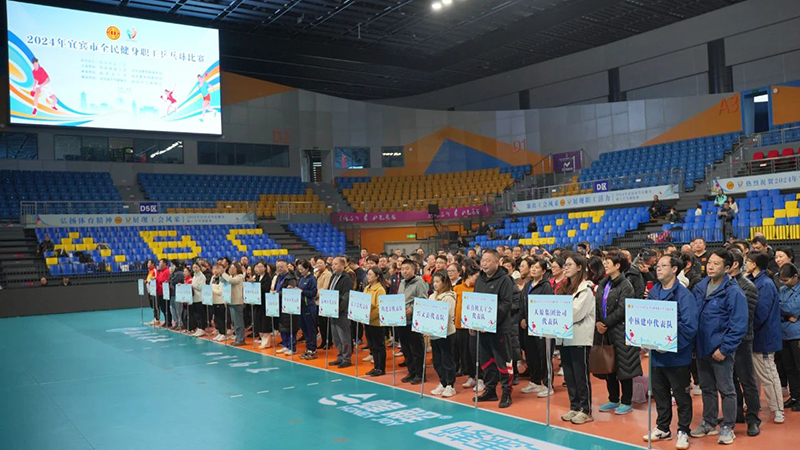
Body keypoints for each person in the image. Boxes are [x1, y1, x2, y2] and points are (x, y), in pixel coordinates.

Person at [690, 249, 747, 444]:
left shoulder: (733, 292)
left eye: (716, 264)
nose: (711, 267)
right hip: (702, 348)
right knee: (707, 388)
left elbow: (739, 325)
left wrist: (724, 349)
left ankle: (728, 427)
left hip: (720, 351)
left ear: (727, 268)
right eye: (709, 263)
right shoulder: (700, 287)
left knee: (727, 390)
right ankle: (709, 423)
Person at [644, 255, 698, 449]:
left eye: (663, 265)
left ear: (674, 269)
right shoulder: (653, 293)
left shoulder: (684, 295)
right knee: (660, 393)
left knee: (681, 396)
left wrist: (670, 343)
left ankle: (683, 430)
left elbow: (689, 326)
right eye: (657, 266)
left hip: (677, 356)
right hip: (657, 356)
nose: (658, 269)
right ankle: (663, 427)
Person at [595, 251, 641, 416]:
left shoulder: (626, 285)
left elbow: (623, 309)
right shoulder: (603, 283)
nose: (605, 265)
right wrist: (598, 322)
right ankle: (613, 398)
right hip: (605, 331)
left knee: (624, 366)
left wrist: (606, 323)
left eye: (608, 262)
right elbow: (597, 305)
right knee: (609, 366)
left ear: (617, 265)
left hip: (620, 331)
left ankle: (626, 401)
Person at [474, 249, 515, 408]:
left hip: (499, 329)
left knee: (503, 362)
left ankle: (506, 392)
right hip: (482, 330)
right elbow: (475, 303)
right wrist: (473, 323)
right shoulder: (480, 279)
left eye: (488, 260)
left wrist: (490, 322)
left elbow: (506, 304)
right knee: (486, 361)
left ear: (497, 262)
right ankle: (490, 390)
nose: (484, 263)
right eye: (483, 260)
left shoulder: (505, 280)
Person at [746, 252, 785, 423]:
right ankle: (755, 404)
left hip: (764, 337)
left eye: (747, 261)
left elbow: (760, 313)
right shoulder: (753, 281)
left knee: (768, 374)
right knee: (754, 375)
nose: (745, 264)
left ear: (754, 264)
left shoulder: (765, 284)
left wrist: (746, 327)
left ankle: (778, 409)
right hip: (755, 337)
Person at [726, 249, 761, 436]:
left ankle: (753, 419)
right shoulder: (723, 284)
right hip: (726, 342)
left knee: (747, 381)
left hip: (742, 341)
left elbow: (744, 318)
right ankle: (737, 413)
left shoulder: (748, 286)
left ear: (734, 264)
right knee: (730, 381)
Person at [559, 254, 596, 425]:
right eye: (565, 265)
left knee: (581, 375)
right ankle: (574, 406)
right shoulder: (564, 288)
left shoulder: (586, 290)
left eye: (569, 264)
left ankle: (586, 410)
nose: (565, 268)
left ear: (580, 267)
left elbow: (574, 313)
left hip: (579, 338)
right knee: (569, 375)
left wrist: (557, 313)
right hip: (564, 337)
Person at [520, 258, 555, 397]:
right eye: (532, 267)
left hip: (541, 327)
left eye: (537, 267)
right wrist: (522, 319)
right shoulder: (528, 285)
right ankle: (535, 381)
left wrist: (531, 320)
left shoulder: (546, 286)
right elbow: (522, 304)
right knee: (531, 355)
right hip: (528, 327)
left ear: (544, 271)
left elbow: (545, 306)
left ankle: (548, 385)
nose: (533, 269)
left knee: (544, 356)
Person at [399, 259, 428, 384]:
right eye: (402, 269)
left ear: (414, 269)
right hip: (402, 320)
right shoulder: (402, 283)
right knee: (406, 348)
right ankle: (411, 371)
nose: (404, 271)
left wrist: (412, 308)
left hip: (413, 321)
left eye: (407, 269)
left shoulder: (419, 283)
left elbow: (423, 300)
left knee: (416, 349)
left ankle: (420, 374)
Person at [429, 271, 457, 397]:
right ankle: (443, 382)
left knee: (447, 360)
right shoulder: (431, 296)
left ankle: (450, 385)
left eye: (437, 282)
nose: (435, 284)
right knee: (437, 361)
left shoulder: (449, 297)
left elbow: (448, 315)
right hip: (434, 334)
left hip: (446, 334)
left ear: (444, 283)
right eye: (433, 282)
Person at [456, 259, 481, 390]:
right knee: (464, 353)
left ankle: (480, 378)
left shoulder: (478, 289)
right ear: (469, 276)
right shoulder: (457, 288)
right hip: (459, 326)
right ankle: (471, 376)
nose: (477, 279)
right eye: (476, 277)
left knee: (475, 352)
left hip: (473, 325)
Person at [779, 264, 800, 412]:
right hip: (783, 334)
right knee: (789, 368)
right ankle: (795, 396)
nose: (784, 283)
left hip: (796, 334)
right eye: (782, 280)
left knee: (799, 367)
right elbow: (776, 307)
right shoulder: (782, 290)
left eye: (786, 280)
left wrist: (784, 309)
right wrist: (787, 315)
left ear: (795, 277)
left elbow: (792, 308)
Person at [328, 257, 353, 368]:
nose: (333, 266)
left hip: (341, 311)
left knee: (344, 336)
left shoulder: (346, 278)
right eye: (332, 264)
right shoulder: (333, 276)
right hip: (332, 309)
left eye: (336, 264)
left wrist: (340, 308)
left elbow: (346, 295)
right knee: (336, 336)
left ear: (343, 265)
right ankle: (340, 356)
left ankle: (347, 358)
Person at [363, 267, 387, 376]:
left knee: (379, 346)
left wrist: (369, 317)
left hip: (376, 323)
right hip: (368, 322)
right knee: (372, 346)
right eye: (367, 274)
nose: (368, 276)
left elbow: (379, 308)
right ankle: (376, 367)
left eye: (370, 274)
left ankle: (381, 368)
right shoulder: (367, 288)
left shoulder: (380, 289)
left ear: (377, 276)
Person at [273, 260, 299, 355]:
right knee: (282, 327)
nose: (279, 269)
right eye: (278, 267)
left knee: (290, 327)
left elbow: (291, 292)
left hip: (289, 306)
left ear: (286, 267)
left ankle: (292, 347)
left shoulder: (291, 278)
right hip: (280, 305)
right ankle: (285, 345)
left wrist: (278, 293)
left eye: (281, 267)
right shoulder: (279, 277)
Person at [296, 260, 319, 360]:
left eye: (302, 269)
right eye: (299, 269)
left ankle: (312, 349)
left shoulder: (312, 279)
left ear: (307, 269)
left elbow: (313, 293)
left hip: (309, 306)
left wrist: (302, 291)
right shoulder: (302, 279)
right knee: (304, 328)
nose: (300, 271)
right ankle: (308, 347)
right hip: (301, 306)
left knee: (310, 328)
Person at [222, 262, 245, 346]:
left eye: (233, 268)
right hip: (231, 301)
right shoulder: (231, 276)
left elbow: (231, 281)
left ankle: (241, 339)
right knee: (234, 322)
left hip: (237, 302)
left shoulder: (240, 277)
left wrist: (223, 273)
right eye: (230, 268)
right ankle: (237, 337)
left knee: (238, 322)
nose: (231, 270)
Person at [252, 261, 274, 349]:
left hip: (265, 303)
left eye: (261, 267)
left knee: (265, 322)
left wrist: (255, 285)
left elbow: (265, 289)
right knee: (258, 321)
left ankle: (267, 342)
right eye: (258, 267)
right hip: (257, 303)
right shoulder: (256, 277)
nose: (259, 268)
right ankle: (262, 338)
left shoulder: (268, 278)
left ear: (265, 268)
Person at [210, 264, 228, 341]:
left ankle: (223, 333)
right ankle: (220, 332)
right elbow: (210, 286)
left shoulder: (223, 278)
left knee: (221, 318)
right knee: (216, 318)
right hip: (214, 300)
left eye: (217, 269)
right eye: (214, 269)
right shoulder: (213, 278)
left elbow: (221, 291)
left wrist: (212, 289)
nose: (215, 270)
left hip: (221, 301)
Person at [189, 263, 207, 337]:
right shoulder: (194, 276)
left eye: (196, 267)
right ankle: (199, 328)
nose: (195, 269)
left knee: (200, 314)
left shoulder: (202, 276)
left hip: (200, 298)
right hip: (194, 298)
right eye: (193, 267)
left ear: (200, 268)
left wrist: (193, 286)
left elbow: (201, 287)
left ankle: (202, 328)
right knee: (196, 314)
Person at [155, 259, 171, 327]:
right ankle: (166, 320)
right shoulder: (161, 272)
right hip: (160, 292)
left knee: (166, 307)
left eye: (160, 262)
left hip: (164, 292)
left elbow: (165, 281)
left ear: (164, 263)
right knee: (163, 308)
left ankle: (169, 321)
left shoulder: (167, 271)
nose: (159, 264)